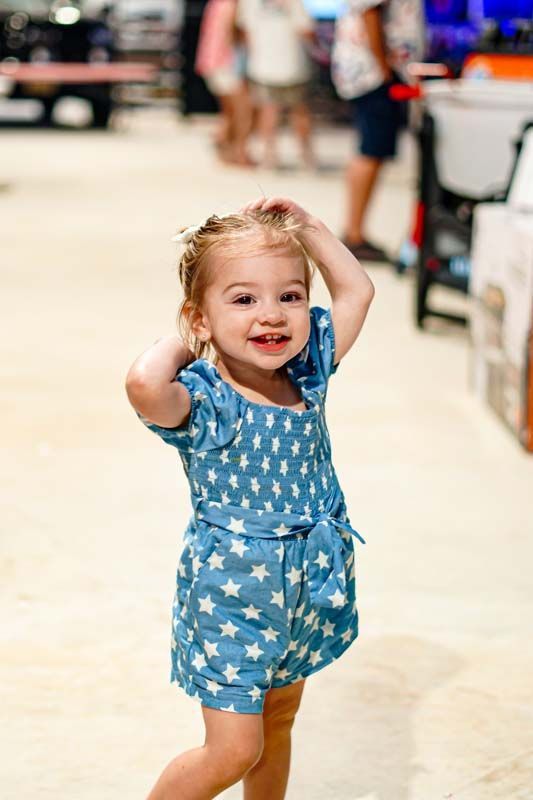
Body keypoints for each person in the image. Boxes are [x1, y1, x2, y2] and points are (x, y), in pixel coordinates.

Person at [125, 197, 374, 799]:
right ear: (199, 319)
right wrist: (193, 338)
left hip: (309, 585)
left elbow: (357, 293)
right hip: (234, 597)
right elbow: (142, 383)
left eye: (290, 296)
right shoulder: (205, 401)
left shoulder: (308, 371)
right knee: (235, 748)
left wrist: (310, 229)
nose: (272, 315)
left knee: (279, 718)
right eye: (243, 299)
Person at [331, 0, 425, 261]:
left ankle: (355, 231)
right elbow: (370, 11)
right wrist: (384, 68)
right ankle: (354, 233)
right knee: (371, 150)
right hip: (375, 73)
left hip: (374, 70)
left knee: (370, 149)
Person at [236, 0, 316, 169]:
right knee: (299, 110)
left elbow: (245, 31)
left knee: (268, 111)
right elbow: (306, 29)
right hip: (293, 62)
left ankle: (269, 157)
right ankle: (305, 156)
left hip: (262, 64)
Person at [195, 0, 253, 166]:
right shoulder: (230, 5)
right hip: (226, 64)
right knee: (243, 111)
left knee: (229, 112)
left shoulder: (216, 4)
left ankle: (228, 151)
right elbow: (234, 34)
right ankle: (239, 153)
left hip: (212, 63)